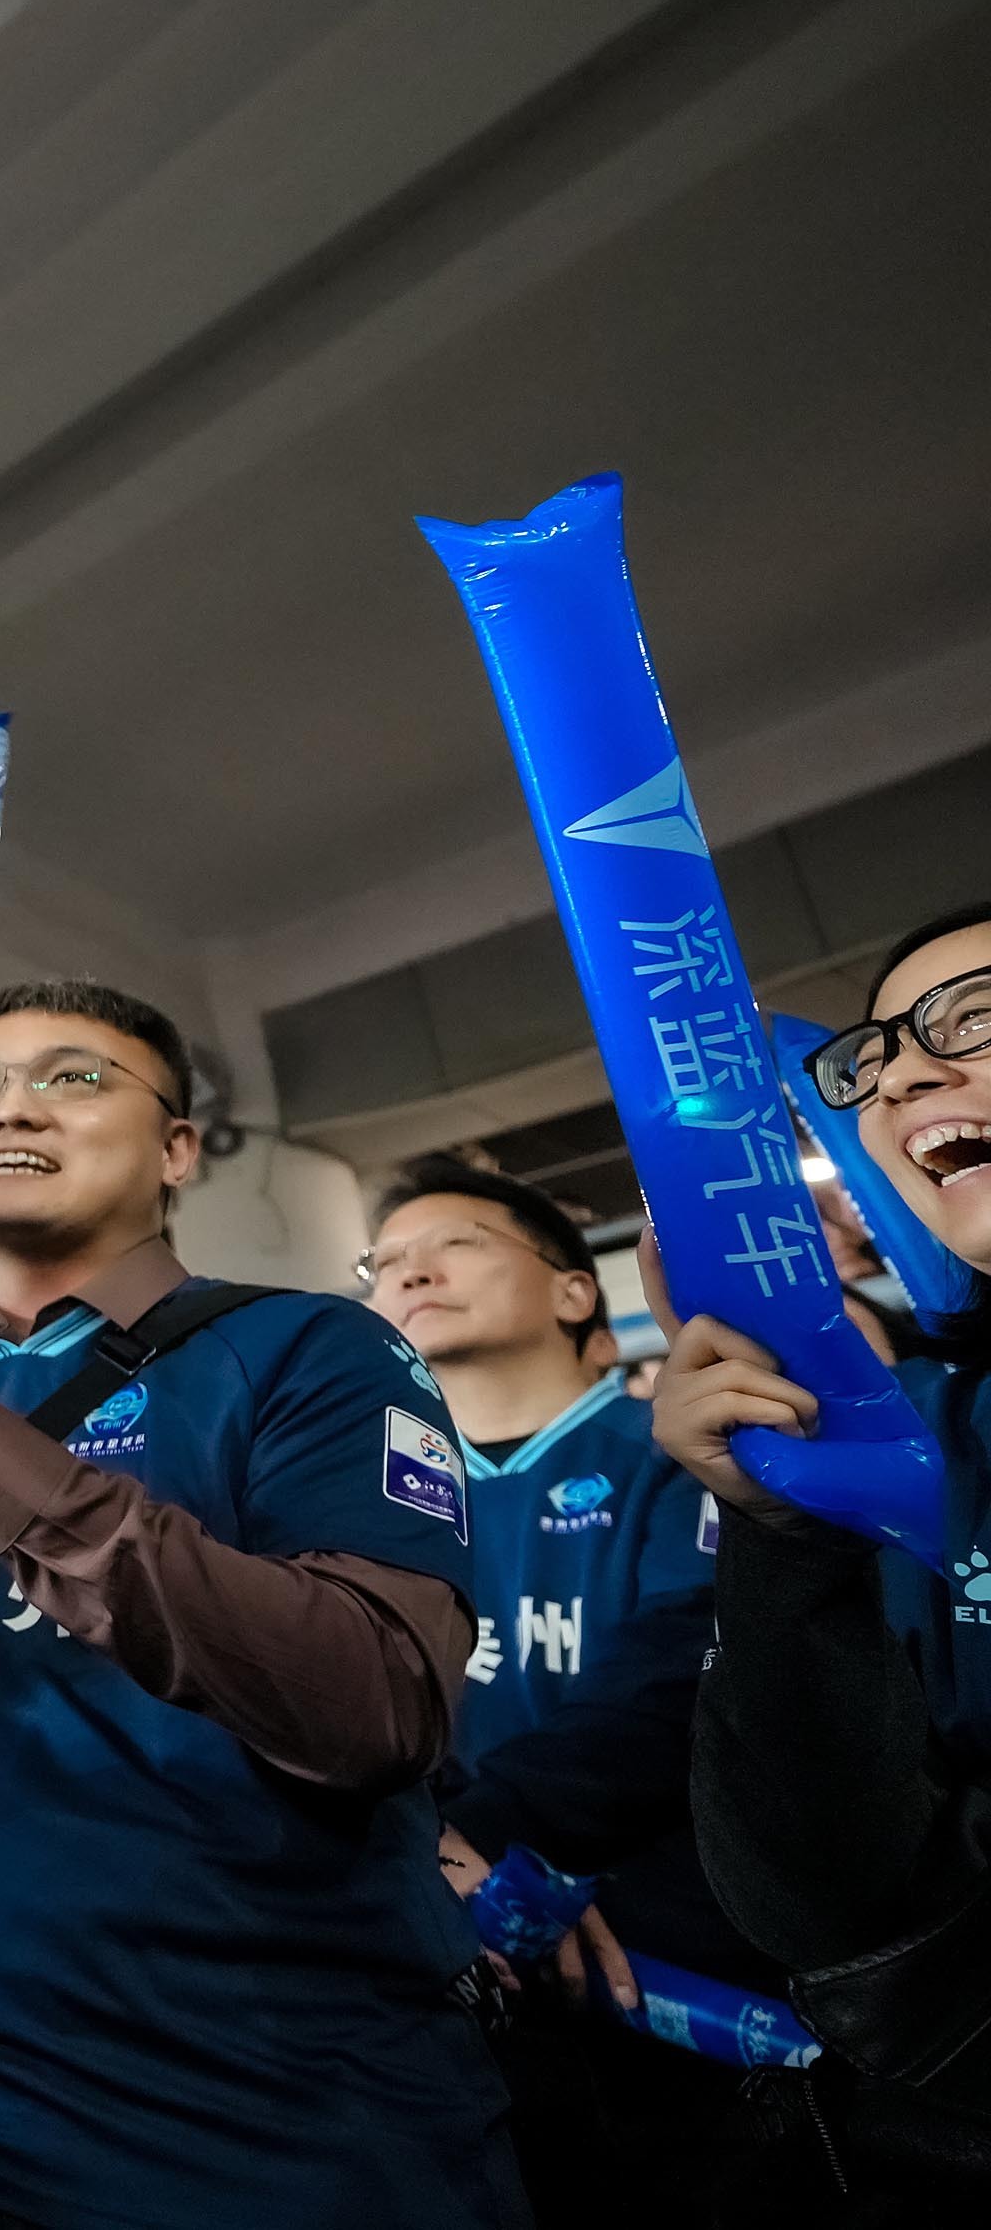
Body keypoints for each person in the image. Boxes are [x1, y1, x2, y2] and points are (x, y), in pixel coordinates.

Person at [0, 977, 517, 2229]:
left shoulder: (307, 1352)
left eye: (72, 1076)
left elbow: (377, 1704)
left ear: (178, 1146)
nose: (9, 1105)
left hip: (278, 2127)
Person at [367, 1155, 774, 2225]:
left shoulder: (672, 1447)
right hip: (442, 1959)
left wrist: (484, 1836)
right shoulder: (354, 1496)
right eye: (384, 1262)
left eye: (452, 1242)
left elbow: (683, 1675)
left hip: (678, 1965)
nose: (411, 1272)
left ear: (571, 1289)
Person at [654, 902, 991, 2192]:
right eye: (879, 1054)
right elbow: (823, 1909)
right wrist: (782, 1529)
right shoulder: (929, 1440)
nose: (903, 1071)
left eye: (973, 1017)